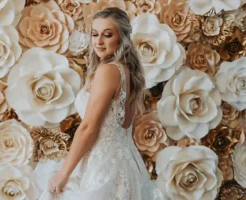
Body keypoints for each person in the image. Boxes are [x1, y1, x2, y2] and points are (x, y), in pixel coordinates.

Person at [36, 7, 164, 200]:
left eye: (107, 35)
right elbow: (125, 126)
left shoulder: (109, 71)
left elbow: (88, 127)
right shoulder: (125, 71)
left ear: (122, 38)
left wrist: (63, 174)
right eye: (95, 34)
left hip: (102, 167)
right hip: (123, 163)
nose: (98, 41)